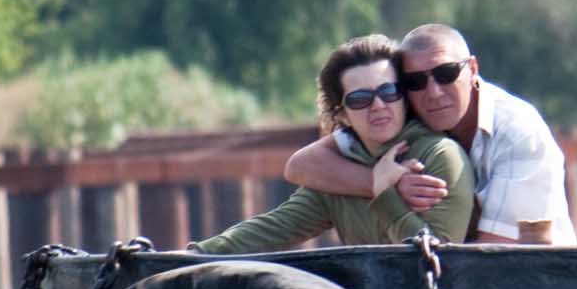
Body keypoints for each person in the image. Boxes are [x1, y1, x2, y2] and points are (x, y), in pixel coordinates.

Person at [282, 22, 573, 244]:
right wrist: (378, 183)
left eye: (446, 74)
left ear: (472, 69)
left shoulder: (518, 135)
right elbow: (300, 166)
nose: (433, 92)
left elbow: (495, 255)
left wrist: (389, 199)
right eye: (416, 81)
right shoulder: (400, 111)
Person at [191, 34, 474, 253]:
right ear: (342, 114)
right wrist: (192, 256)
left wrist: (385, 194)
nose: (378, 106)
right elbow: (273, 228)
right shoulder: (341, 171)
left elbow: (436, 259)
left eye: (389, 92)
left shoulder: (439, 156)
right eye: (360, 99)